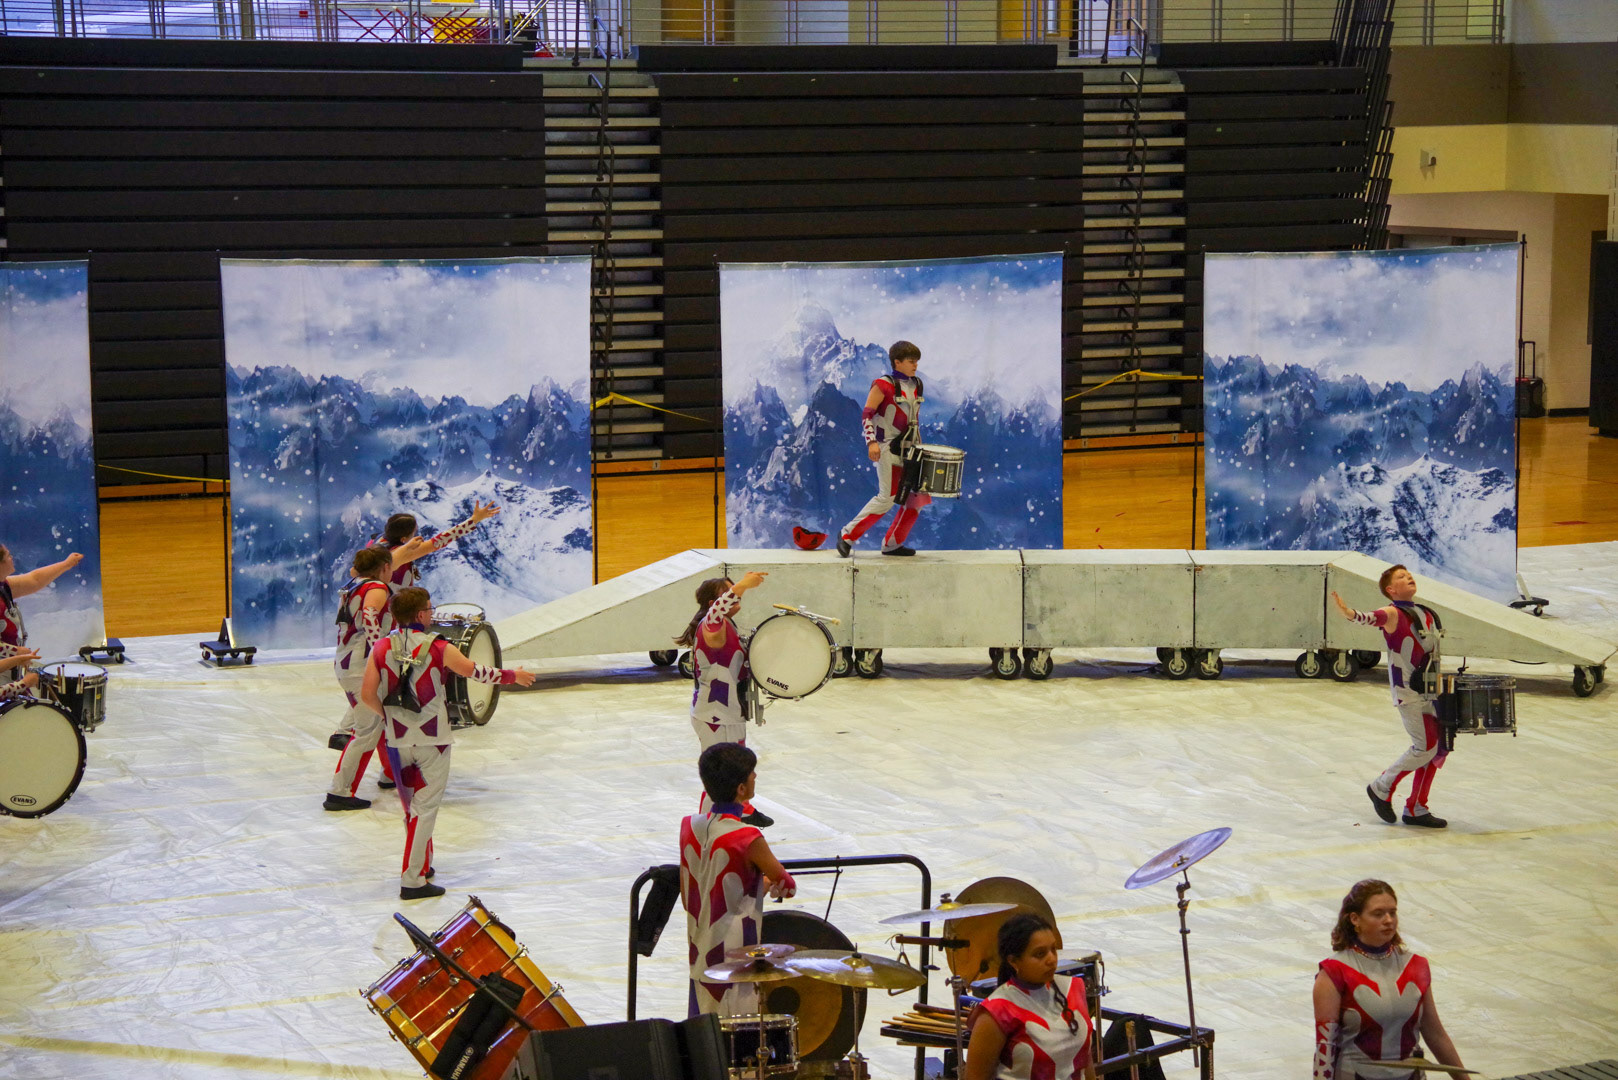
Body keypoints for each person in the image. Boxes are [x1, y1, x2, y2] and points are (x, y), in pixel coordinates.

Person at [359, 586, 536, 900]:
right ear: (421, 614)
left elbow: (367, 695)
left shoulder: (381, 647)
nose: (432, 613)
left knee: (412, 809)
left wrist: (388, 718)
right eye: (430, 609)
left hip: (397, 740)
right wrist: (513, 675)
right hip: (433, 740)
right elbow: (474, 671)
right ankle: (413, 880)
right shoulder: (438, 646)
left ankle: (422, 866)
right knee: (424, 809)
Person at [679, 742, 796, 1018]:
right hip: (734, 959)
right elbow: (787, 886)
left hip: (699, 953)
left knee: (703, 1033)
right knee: (736, 1036)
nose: (755, 776)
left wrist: (755, 884)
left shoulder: (688, 825)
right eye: (751, 773)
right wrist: (764, 883)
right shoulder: (747, 837)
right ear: (741, 789)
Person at [1332, 565, 1448, 829]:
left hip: (1431, 690)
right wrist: (1348, 612)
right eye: (1401, 577)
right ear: (1391, 589)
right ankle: (1381, 787)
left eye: (1409, 575)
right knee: (1424, 747)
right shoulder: (1392, 613)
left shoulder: (1425, 612)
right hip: (1409, 692)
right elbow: (1369, 618)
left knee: (1437, 748)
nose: (1409, 577)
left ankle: (1416, 808)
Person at [1313, 879, 1465, 1080]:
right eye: (1378, 914)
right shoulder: (1334, 972)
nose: (1388, 920)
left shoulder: (1416, 966)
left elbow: (1435, 1034)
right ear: (1355, 919)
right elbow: (1325, 1047)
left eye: (1392, 912)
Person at [675, 571, 773, 827]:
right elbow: (717, 611)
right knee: (718, 781)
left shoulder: (726, 624)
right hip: (715, 715)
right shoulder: (711, 624)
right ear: (714, 603)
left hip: (729, 712)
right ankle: (707, 831)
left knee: (734, 771)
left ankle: (741, 811)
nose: (736, 595)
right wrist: (743, 585)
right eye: (729, 593)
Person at [965, 913, 1094, 1080]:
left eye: (1053, 949)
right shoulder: (997, 1012)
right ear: (1013, 961)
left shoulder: (1074, 988)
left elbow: (1085, 1061)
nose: (1051, 959)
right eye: (1040, 954)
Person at [837, 340, 930, 558]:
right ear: (897, 362)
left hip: (912, 449)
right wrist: (871, 442)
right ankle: (847, 534)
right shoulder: (882, 385)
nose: (915, 365)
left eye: (916, 361)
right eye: (911, 361)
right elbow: (867, 414)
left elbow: (914, 419)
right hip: (888, 447)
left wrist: (920, 447)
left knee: (916, 500)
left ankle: (893, 544)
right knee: (887, 497)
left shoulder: (917, 384)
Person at [324, 547, 398, 810]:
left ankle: (390, 774)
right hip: (362, 667)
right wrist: (380, 651)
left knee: (379, 723)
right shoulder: (377, 587)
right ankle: (339, 792)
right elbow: (369, 615)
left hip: (347, 663)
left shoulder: (353, 584)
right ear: (385, 567)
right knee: (366, 731)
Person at [374, 502, 500, 591]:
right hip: (391, 608)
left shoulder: (377, 542)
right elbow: (442, 539)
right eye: (414, 533)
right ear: (403, 539)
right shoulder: (402, 553)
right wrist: (474, 520)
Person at [1, 543, 85, 648]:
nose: (12, 557)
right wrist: (15, 652)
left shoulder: (4, 585)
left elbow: (34, 580)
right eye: (8, 555)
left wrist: (67, 564)